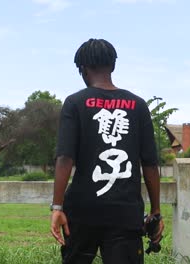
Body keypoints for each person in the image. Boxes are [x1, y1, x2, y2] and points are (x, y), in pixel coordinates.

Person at [50, 38, 164, 264]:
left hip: (82, 212)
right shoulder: (138, 105)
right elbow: (150, 164)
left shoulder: (74, 103)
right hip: (126, 214)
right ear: (113, 66)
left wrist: (57, 207)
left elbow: (65, 158)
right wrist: (156, 212)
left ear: (82, 69)